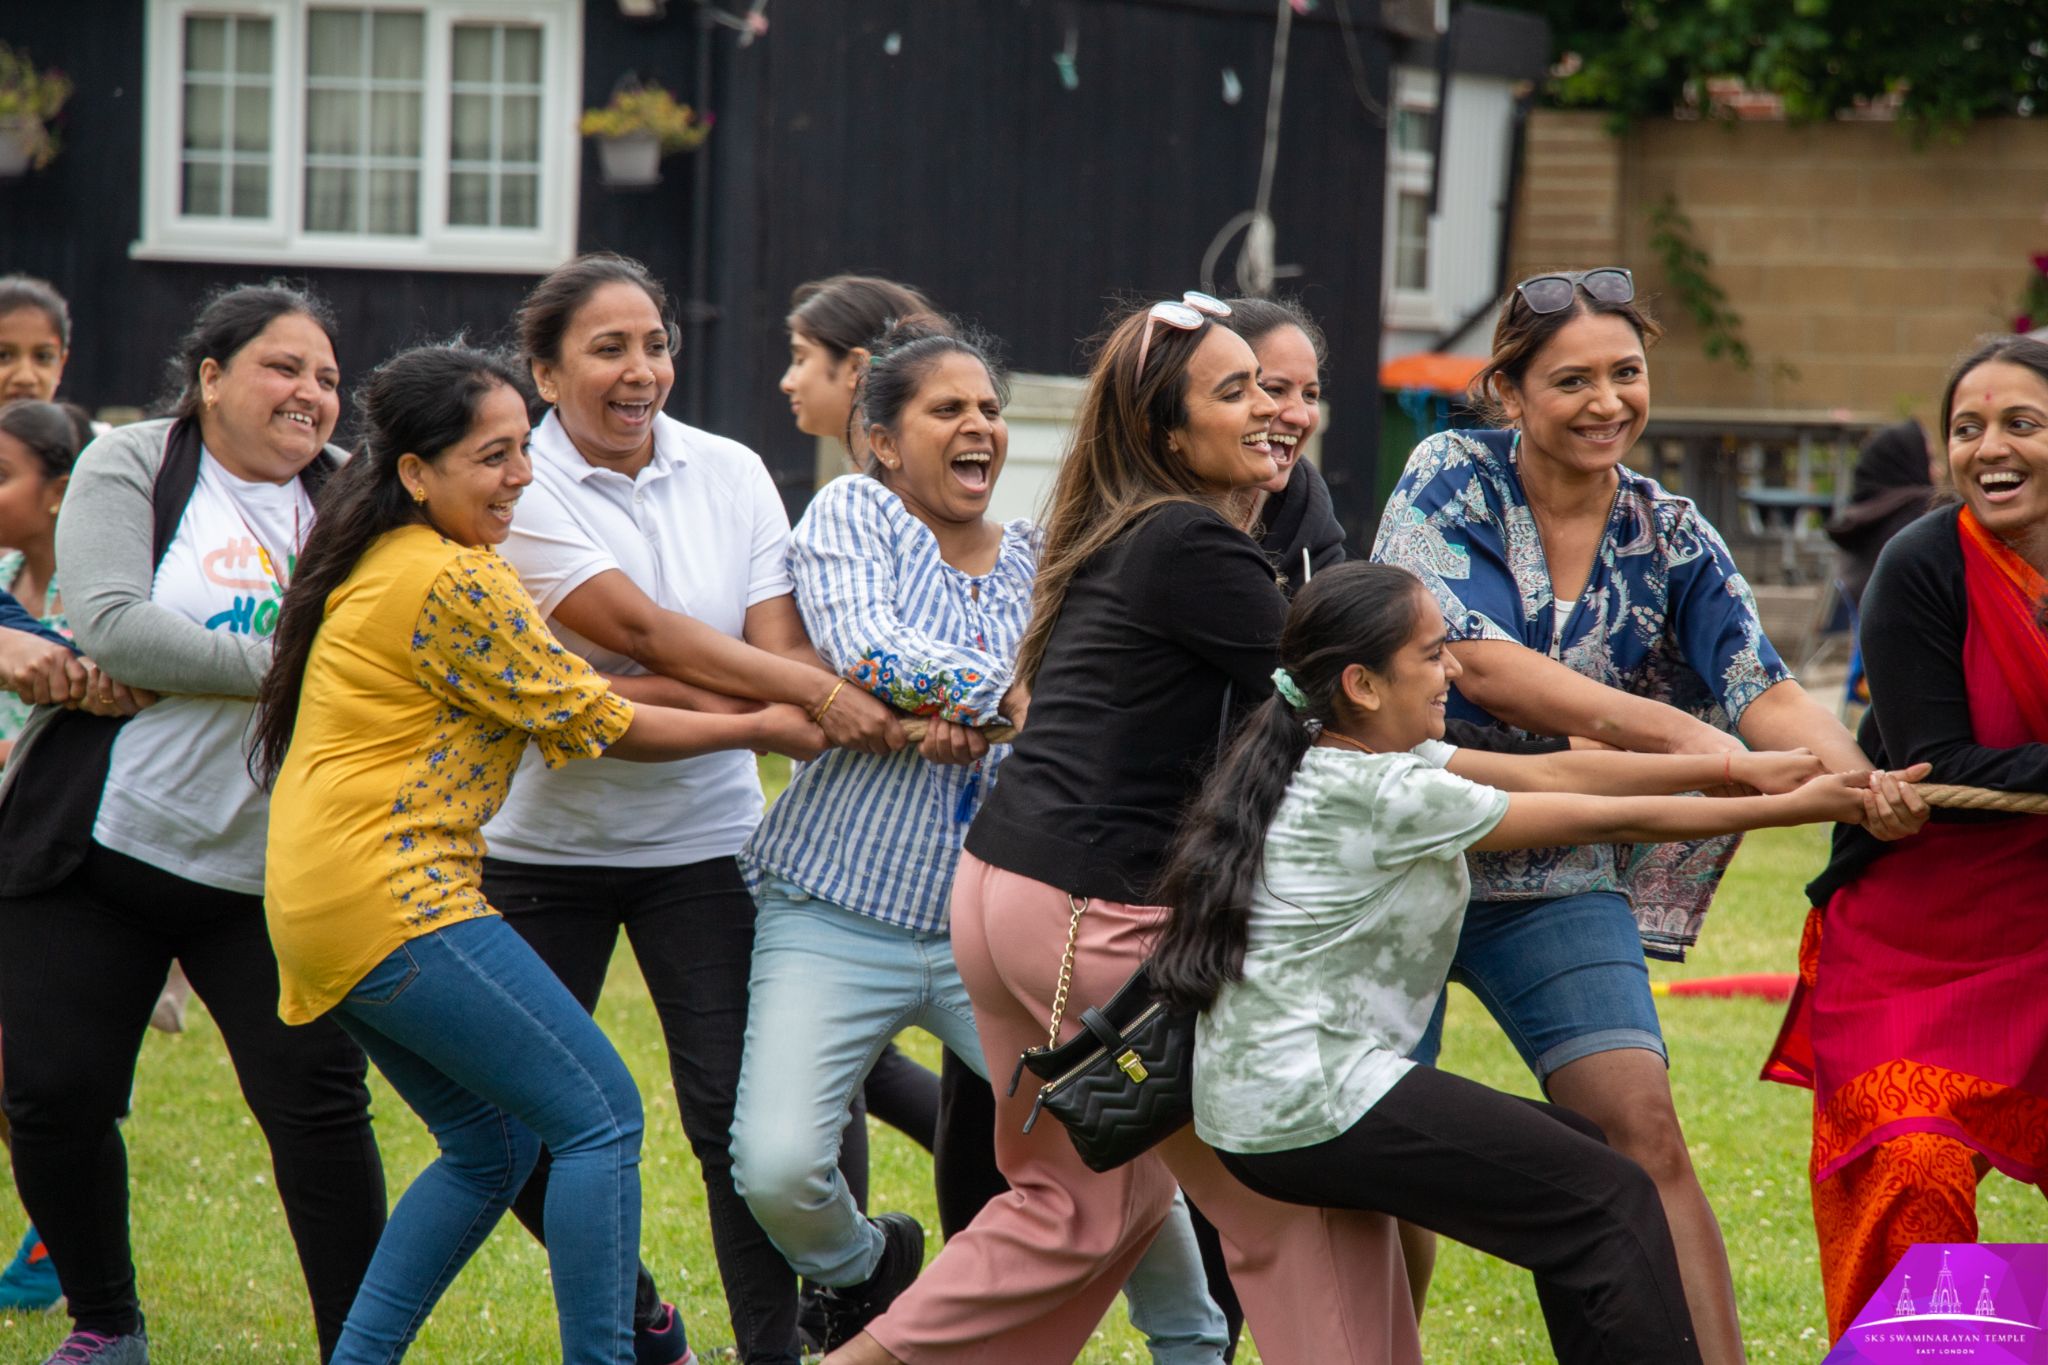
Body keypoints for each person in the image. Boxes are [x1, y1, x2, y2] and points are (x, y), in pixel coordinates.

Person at [829, 296, 1421, 1365]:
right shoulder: (1191, 545)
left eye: (1281, 389)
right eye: (1235, 391)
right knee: (1283, 1204)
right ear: (1165, 432)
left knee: (1077, 1211)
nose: (1273, 410)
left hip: (1008, 896)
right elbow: (1363, 705)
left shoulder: (1125, 526)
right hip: (1089, 919)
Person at [1151, 561, 1911, 1365]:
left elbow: (1556, 768)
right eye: (1433, 653)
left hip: (1279, 1099)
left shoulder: (1360, 760)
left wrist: (1736, 768)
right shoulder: (1382, 793)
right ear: (1362, 685)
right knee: (1610, 1197)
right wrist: (1802, 804)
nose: (1452, 670)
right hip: (1305, 1104)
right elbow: (1593, 812)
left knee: (1591, 1173)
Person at [1372, 267, 1913, 1364]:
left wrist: (1860, 784)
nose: (1605, 401)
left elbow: (1760, 686)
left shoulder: (1666, 529)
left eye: (1625, 373)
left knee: (1642, 1129)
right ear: (1509, 392)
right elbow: (1489, 668)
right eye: (1569, 380)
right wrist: (1693, 746)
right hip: (1403, 858)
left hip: (1555, 871)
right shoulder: (1447, 476)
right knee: (1387, 1165)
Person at [254, 342, 824, 1365]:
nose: (522, 474)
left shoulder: (392, 560)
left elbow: (567, 695)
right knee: (599, 1118)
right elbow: (599, 718)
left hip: (323, 901)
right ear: (416, 473)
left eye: (522, 450)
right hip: (395, 896)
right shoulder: (452, 578)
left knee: (492, 1145)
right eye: (493, 456)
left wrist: (726, 703)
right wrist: (762, 724)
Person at [735, 320, 1227, 1363]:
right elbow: (865, 641)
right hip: (835, 911)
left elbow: (1080, 705)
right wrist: (1003, 697)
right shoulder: (853, 511)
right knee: (775, 1165)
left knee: (1109, 1133)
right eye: (947, 409)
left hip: (995, 920)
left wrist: (986, 710)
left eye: (990, 410)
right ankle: (864, 1265)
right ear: (879, 439)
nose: (978, 428)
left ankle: (1191, 1341)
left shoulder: (1047, 558)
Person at [476, 253, 893, 1365]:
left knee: (742, 1126)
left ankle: (787, 1350)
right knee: (504, 1131)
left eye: (653, 343)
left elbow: (766, 648)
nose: (639, 370)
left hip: (708, 849)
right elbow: (632, 647)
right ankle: (645, 1324)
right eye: (607, 348)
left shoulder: (733, 470)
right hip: (535, 850)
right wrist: (779, 694)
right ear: (544, 370)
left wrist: (748, 681)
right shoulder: (517, 485)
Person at [0, 282, 387, 1365]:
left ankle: (358, 1349)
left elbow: (386, 655)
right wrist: (301, 674)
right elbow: (120, 628)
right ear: (210, 376)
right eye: (283, 366)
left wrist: (261, 675)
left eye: (324, 375)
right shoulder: (135, 461)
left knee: (315, 1109)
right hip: (97, 844)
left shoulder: (352, 495)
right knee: (55, 1095)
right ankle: (105, 1324)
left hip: (275, 870)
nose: (310, 390)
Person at [1764, 336, 2048, 1339]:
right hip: (1917, 945)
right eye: (1965, 428)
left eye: (2020, 422)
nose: (1987, 447)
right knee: (1908, 1163)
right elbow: (1946, 762)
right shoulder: (1922, 562)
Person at [1824, 420, 1939, 708]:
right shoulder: (1926, 517)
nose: (1937, 470)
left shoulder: (1859, 522)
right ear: (1907, 460)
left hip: (1865, 682)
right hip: (1917, 683)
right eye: (1931, 458)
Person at [0, 275, 70, 406]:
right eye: (3, 356)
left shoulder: (81, 427)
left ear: (61, 364)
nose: (25, 378)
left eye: (43, 357)